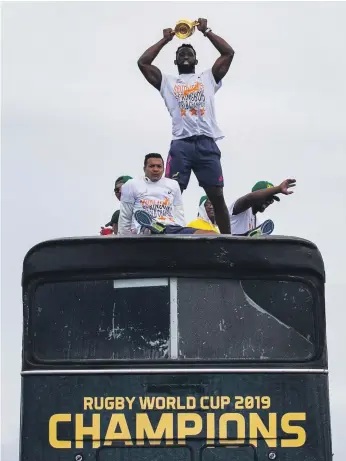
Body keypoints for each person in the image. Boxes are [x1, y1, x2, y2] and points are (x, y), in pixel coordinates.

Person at [137, 18, 235, 234]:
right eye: (181, 54)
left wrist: (206, 31)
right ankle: (163, 232)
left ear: (196, 59)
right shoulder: (168, 82)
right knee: (170, 192)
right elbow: (143, 63)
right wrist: (164, 40)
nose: (185, 55)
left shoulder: (208, 78)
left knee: (216, 195)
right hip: (181, 145)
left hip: (206, 144)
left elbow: (228, 53)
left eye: (189, 53)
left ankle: (229, 240)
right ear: (175, 62)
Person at [118, 153, 217, 235]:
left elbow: (179, 212)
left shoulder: (173, 184)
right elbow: (125, 217)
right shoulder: (131, 185)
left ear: (163, 169)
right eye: (152, 166)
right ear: (144, 168)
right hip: (144, 229)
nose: (155, 169)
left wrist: (182, 237)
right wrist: (125, 240)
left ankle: (157, 228)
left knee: (211, 234)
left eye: (159, 166)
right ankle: (152, 227)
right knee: (152, 228)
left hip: (170, 227)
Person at [228, 179, 296, 236]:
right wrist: (278, 189)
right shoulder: (240, 208)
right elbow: (249, 198)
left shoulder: (256, 221)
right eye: (267, 198)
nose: (269, 202)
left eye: (271, 200)